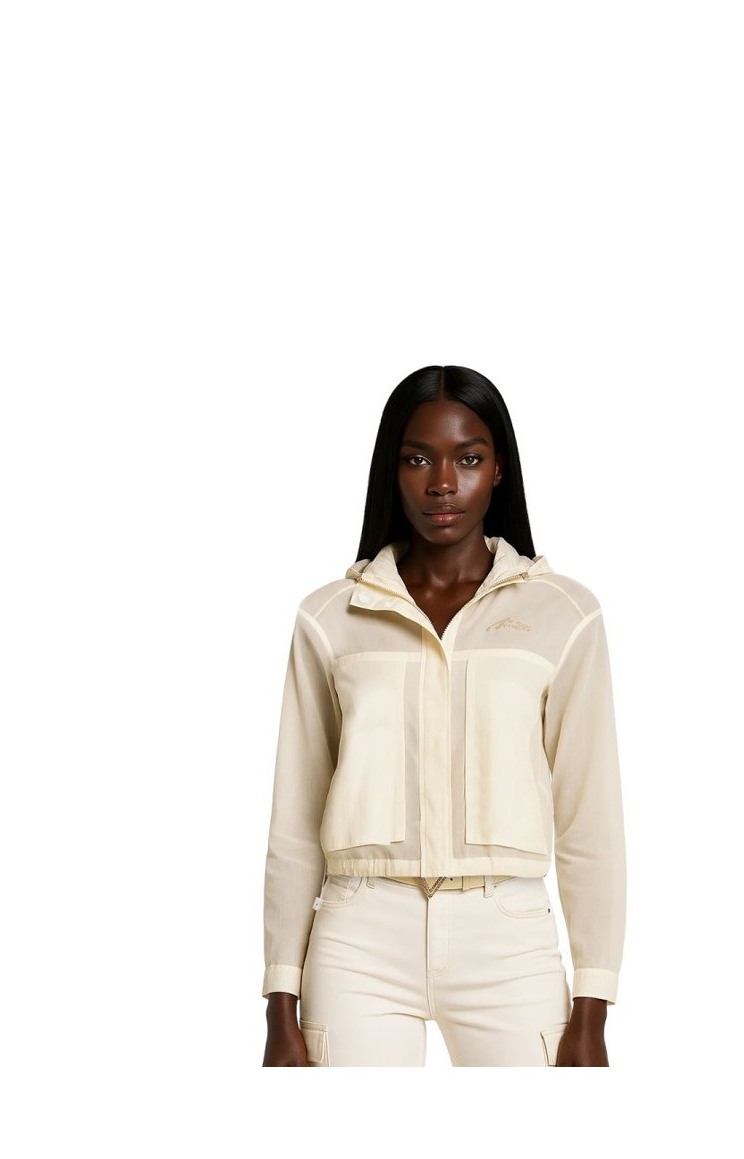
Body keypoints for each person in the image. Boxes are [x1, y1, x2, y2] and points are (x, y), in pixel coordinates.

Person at [261, 365, 626, 1067]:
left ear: (499, 470)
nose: (442, 483)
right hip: (358, 936)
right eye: (418, 459)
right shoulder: (330, 617)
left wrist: (593, 1002)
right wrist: (280, 999)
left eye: (469, 458)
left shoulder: (564, 614)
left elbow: (591, 822)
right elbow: (295, 822)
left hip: (509, 936)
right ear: (392, 470)